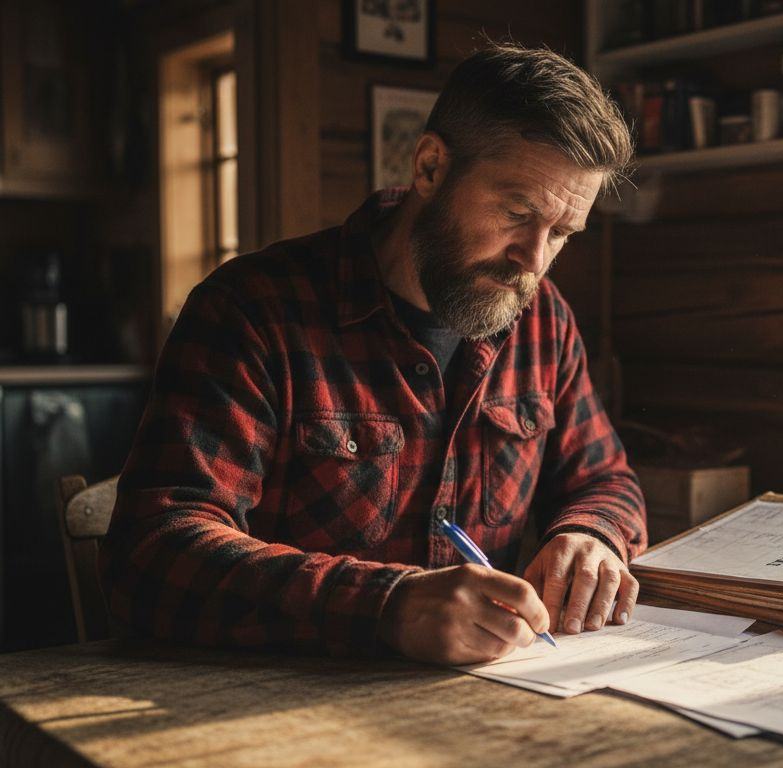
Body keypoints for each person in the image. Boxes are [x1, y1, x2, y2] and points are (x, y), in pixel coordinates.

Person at [99, 44, 647, 666]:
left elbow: (605, 478)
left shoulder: (542, 317)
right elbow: (152, 552)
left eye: (563, 234)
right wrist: (389, 605)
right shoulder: (251, 309)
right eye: (517, 212)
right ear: (431, 167)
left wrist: (591, 532)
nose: (535, 259)